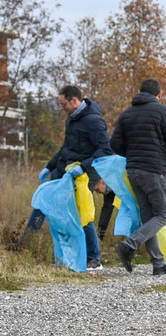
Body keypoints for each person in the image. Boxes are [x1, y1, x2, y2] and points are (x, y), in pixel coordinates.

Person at [19, 85, 113, 271]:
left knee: (82, 214)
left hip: (84, 174)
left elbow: (105, 151)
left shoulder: (94, 121)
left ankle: (94, 259)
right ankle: (22, 246)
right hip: (64, 169)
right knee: (43, 202)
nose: (61, 109)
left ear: (74, 101)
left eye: (63, 105)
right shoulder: (71, 119)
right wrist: (50, 166)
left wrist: (82, 167)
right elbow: (66, 148)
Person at [110, 78, 166, 275]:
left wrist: (134, 153)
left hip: (133, 171)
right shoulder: (161, 111)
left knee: (148, 216)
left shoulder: (127, 114)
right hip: (155, 171)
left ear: (140, 92)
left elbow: (114, 145)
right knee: (164, 214)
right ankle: (129, 245)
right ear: (159, 95)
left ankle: (158, 264)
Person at [94, 178, 166, 259]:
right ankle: (149, 255)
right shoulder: (110, 191)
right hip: (143, 197)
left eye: (97, 189)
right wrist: (100, 235)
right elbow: (106, 212)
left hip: (155, 187)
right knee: (144, 221)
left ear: (102, 182)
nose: (98, 193)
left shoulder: (117, 178)